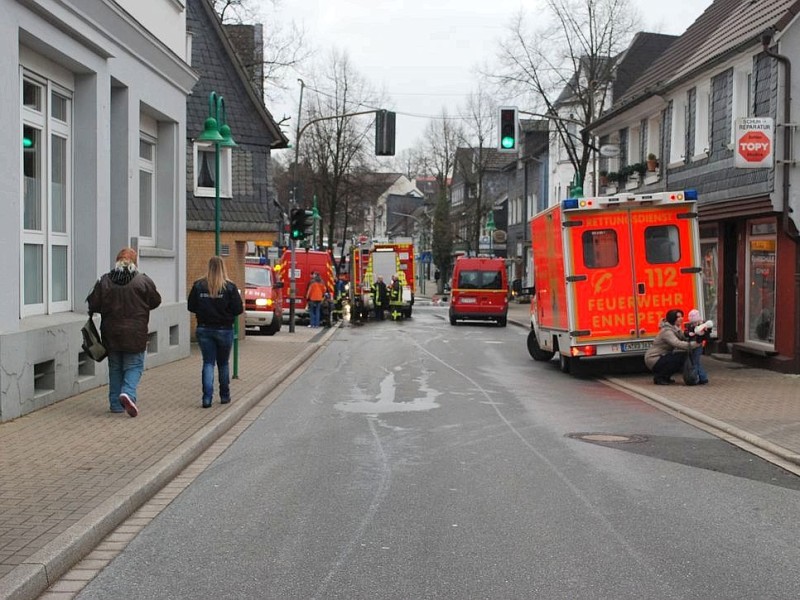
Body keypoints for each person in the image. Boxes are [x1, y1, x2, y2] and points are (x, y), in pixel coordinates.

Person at [87, 247, 161, 417]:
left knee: (115, 368)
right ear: (135, 263)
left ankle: (115, 404)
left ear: (117, 262)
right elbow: (156, 301)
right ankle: (128, 393)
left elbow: (93, 304)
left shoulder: (105, 280)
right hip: (135, 333)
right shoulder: (142, 281)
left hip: (111, 333)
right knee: (134, 365)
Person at [188, 256, 243, 408]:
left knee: (208, 363)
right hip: (224, 329)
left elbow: (191, 306)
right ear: (223, 268)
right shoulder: (230, 287)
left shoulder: (199, 285)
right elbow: (238, 309)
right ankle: (224, 395)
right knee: (223, 363)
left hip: (204, 328)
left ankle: (207, 398)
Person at [644, 309, 699, 385]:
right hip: (654, 358)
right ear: (673, 319)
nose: (681, 318)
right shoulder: (667, 331)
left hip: (662, 356)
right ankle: (660, 377)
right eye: (678, 317)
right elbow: (677, 343)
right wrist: (695, 344)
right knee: (680, 358)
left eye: (681, 316)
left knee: (678, 358)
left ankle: (666, 377)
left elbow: (683, 337)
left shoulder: (675, 328)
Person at [685, 308, 711, 384]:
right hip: (693, 345)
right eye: (693, 322)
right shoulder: (690, 326)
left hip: (698, 345)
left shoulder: (702, 326)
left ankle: (696, 378)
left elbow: (706, 336)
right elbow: (686, 332)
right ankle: (702, 378)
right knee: (696, 362)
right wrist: (689, 333)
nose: (694, 324)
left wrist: (704, 332)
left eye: (695, 322)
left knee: (695, 362)